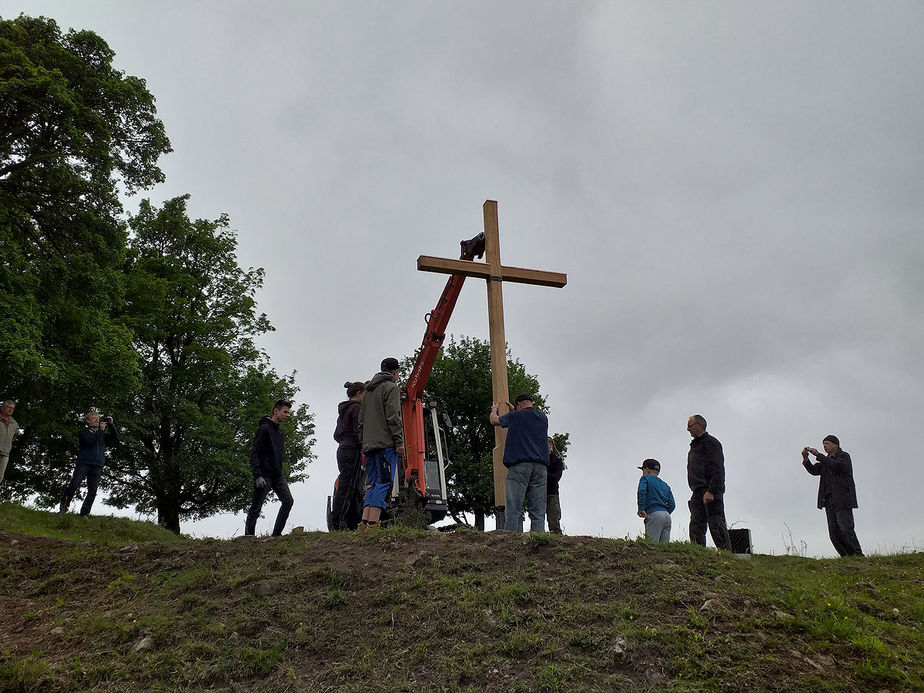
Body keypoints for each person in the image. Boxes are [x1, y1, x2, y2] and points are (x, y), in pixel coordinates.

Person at [490, 394, 549, 532]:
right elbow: (526, 423)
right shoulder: (543, 418)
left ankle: (509, 541)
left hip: (520, 466)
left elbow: (494, 421)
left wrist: (494, 409)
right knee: (538, 511)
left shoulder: (515, 417)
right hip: (540, 468)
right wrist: (515, 412)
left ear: (519, 404)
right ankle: (538, 542)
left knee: (514, 509)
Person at [357, 358, 404, 530]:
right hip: (385, 445)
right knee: (383, 482)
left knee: (371, 482)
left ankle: (364, 523)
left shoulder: (368, 392)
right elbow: (393, 416)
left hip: (369, 446)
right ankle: (372, 525)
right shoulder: (391, 388)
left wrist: (363, 443)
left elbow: (360, 421)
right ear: (394, 372)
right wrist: (399, 440)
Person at [802, 435, 863, 557]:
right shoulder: (825, 460)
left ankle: (857, 553)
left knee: (846, 527)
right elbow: (814, 471)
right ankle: (846, 556)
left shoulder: (843, 456)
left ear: (836, 445)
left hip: (842, 498)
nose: (825, 446)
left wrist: (819, 456)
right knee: (833, 532)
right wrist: (806, 459)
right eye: (823, 444)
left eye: (827, 443)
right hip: (829, 500)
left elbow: (838, 466)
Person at [244, 399, 294, 537]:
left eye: (288, 413)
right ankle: (249, 537)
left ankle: (276, 535)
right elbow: (255, 453)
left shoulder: (280, 432)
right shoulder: (264, 429)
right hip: (264, 474)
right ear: (276, 411)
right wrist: (257, 475)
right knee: (256, 507)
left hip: (277, 475)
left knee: (288, 501)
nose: (287, 415)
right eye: (285, 412)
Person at [686, 414, 731, 550]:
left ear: (700, 425)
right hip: (697, 490)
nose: (688, 429)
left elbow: (717, 468)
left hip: (710, 490)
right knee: (696, 525)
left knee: (716, 523)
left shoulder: (711, 442)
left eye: (690, 426)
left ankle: (726, 553)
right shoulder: (695, 445)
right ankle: (698, 552)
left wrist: (712, 490)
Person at [60, 411, 118, 515]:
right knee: (74, 484)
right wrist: (100, 431)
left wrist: (111, 424)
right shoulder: (83, 433)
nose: (97, 420)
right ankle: (64, 507)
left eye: (98, 418)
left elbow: (115, 437)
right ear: (88, 421)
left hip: (97, 465)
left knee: (92, 491)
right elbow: (90, 441)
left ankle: (84, 513)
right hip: (84, 463)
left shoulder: (102, 434)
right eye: (94, 418)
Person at [330, 381, 365, 531]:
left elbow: (336, 434)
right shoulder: (356, 408)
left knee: (350, 485)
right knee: (349, 486)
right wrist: (363, 445)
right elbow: (359, 430)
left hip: (343, 448)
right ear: (359, 393)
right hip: (353, 449)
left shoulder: (343, 411)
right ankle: (339, 523)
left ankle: (351, 522)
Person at [636, 458, 675, 543]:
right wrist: (665, 511)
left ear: (646, 469)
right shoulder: (665, 485)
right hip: (667, 517)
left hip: (654, 514)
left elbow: (642, 491)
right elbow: (672, 504)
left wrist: (641, 508)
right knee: (664, 549)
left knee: (652, 546)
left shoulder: (645, 478)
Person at [546, 437, 565, 535]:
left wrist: (544, 474)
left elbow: (556, 477)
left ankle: (556, 536)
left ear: (552, 446)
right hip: (539, 492)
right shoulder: (539, 460)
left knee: (553, 517)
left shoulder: (557, 461)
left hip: (552, 492)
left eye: (548, 445)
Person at [0, 400, 19, 486]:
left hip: (5, 454)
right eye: (9, 407)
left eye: (13, 408)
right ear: (2, 408)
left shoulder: (14, 423)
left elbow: (13, 437)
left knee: (0, 477)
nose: (11, 410)